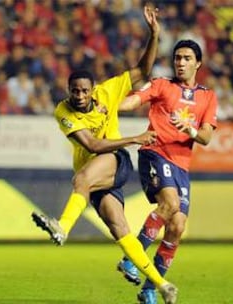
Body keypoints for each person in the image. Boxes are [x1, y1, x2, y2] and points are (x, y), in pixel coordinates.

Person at [31, 5, 177, 304]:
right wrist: (135, 137)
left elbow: (143, 71)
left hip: (117, 160)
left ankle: (62, 227)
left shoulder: (109, 91)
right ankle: (162, 285)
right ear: (68, 90)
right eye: (75, 91)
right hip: (101, 164)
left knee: (81, 179)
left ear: (93, 89)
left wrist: (154, 34)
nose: (80, 96)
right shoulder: (63, 111)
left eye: (84, 91)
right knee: (119, 229)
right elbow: (92, 146)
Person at [117, 39, 218, 304]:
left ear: (198, 63)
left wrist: (190, 130)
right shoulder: (162, 85)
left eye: (186, 58)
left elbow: (206, 137)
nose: (181, 63)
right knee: (170, 203)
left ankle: (150, 288)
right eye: (177, 58)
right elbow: (134, 100)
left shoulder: (207, 96)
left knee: (177, 226)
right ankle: (130, 257)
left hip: (181, 165)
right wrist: (109, 106)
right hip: (155, 151)